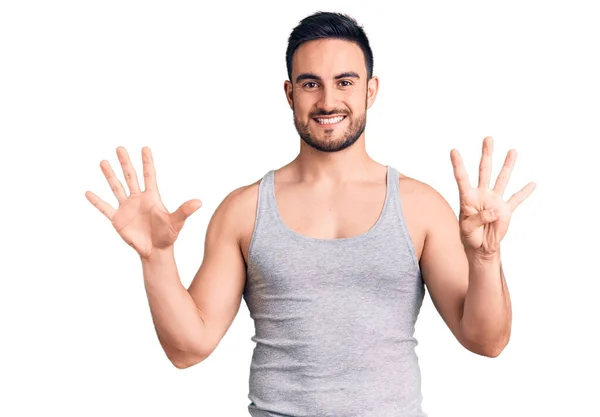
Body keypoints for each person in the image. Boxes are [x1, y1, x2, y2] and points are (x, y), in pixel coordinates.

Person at [85, 11, 536, 417]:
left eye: (344, 82)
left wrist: (485, 259)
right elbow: (189, 348)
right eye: (310, 83)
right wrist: (156, 258)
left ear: (370, 90)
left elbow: (487, 341)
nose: (326, 101)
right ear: (289, 93)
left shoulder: (420, 207)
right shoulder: (244, 211)